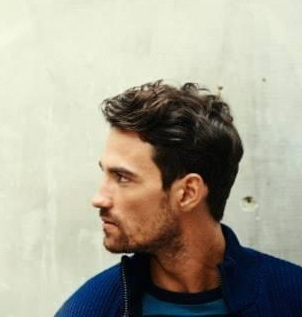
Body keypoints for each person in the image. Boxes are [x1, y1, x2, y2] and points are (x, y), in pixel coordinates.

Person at [55, 81, 302, 317]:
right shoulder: (89, 308)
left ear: (188, 193)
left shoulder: (291, 298)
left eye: (122, 177)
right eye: (106, 174)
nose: (99, 199)